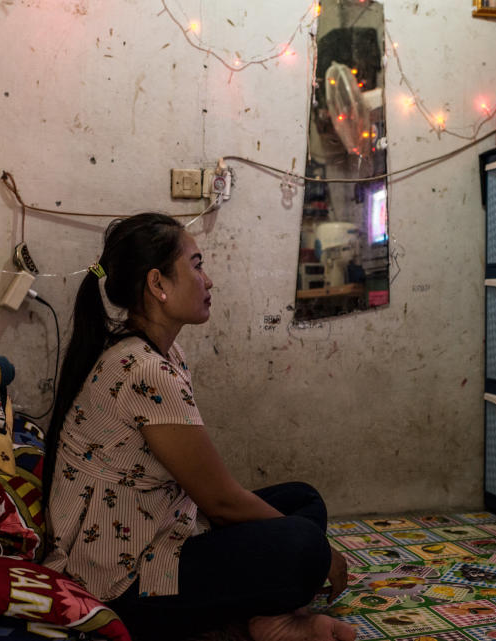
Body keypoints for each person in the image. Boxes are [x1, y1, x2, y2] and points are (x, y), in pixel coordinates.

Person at [42, 213, 354, 641]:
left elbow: (211, 497)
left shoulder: (161, 355)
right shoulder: (144, 370)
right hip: (121, 582)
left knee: (303, 500)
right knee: (303, 547)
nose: (208, 281)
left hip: (161, 529)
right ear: (158, 284)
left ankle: (263, 616)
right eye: (198, 264)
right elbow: (221, 501)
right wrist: (325, 555)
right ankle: (262, 619)